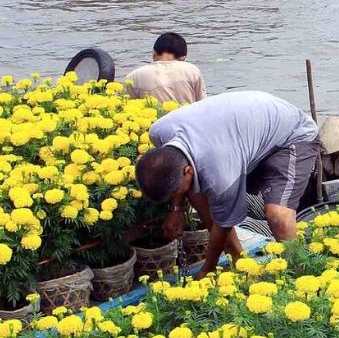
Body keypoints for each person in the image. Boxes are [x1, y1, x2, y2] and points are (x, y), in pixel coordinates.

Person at [135, 91, 320, 276]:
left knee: (278, 215)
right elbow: (176, 166)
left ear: (187, 171)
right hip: (246, 132)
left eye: (174, 192)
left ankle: (300, 276)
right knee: (195, 189)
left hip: (292, 135)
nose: (175, 195)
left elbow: (222, 225)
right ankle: (238, 260)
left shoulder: (221, 174)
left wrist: (207, 269)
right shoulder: (159, 132)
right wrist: (177, 209)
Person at [124, 32, 206, 105]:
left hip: (153, 121)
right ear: (183, 58)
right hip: (186, 121)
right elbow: (202, 105)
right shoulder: (192, 70)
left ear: (154, 52)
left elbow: (125, 106)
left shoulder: (135, 76)